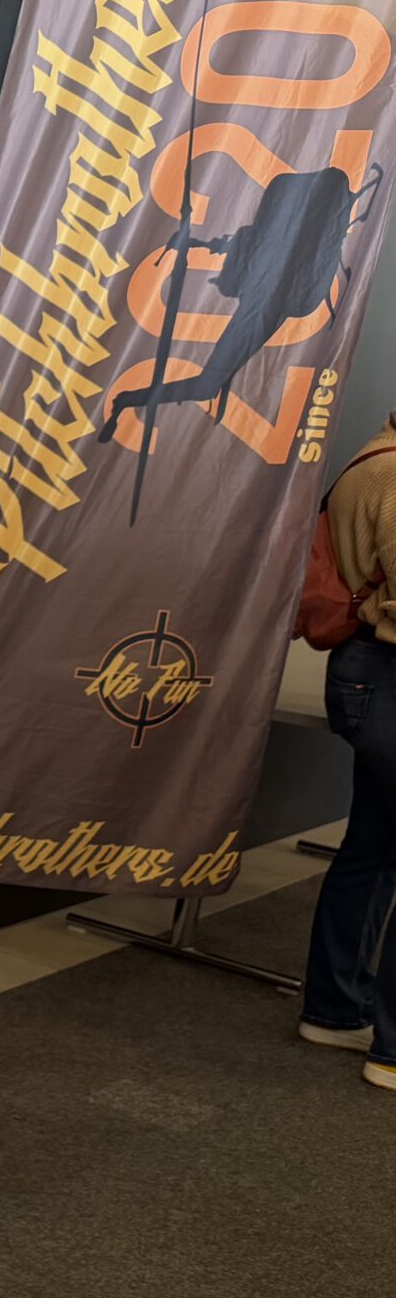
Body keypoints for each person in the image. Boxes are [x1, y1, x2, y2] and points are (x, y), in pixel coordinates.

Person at [300, 414, 396, 1097]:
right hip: (387, 668)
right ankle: (391, 1050)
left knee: (373, 846)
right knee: (373, 850)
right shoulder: (392, 472)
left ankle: (334, 1012)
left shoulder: (376, 457)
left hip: (373, 673)